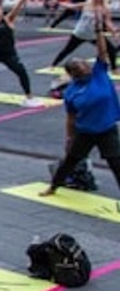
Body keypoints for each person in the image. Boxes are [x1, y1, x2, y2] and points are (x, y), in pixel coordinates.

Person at [41, 27, 120, 196]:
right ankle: (54, 186)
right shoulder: (71, 92)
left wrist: (99, 33)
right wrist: (69, 137)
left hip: (107, 129)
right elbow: (70, 117)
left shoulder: (99, 73)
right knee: (70, 161)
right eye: (79, 67)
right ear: (73, 74)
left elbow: (102, 51)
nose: (85, 67)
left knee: (116, 164)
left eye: (84, 64)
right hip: (85, 132)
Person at [50, 0, 119, 70]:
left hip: (94, 35)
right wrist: (58, 3)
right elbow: (72, 6)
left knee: (110, 50)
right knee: (67, 50)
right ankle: (53, 64)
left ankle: (114, 68)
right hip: (80, 33)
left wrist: (115, 32)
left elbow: (108, 23)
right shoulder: (86, 5)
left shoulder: (104, 9)